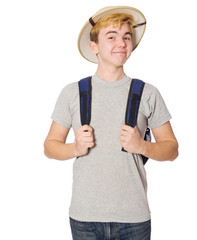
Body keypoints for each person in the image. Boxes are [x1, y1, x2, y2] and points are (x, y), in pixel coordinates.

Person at [43, 6, 178, 240]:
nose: (122, 43)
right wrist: (75, 148)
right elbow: (49, 146)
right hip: (85, 218)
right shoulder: (73, 93)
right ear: (94, 46)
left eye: (127, 37)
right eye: (112, 36)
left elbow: (172, 149)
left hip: (133, 219)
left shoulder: (147, 93)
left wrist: (142, 146)